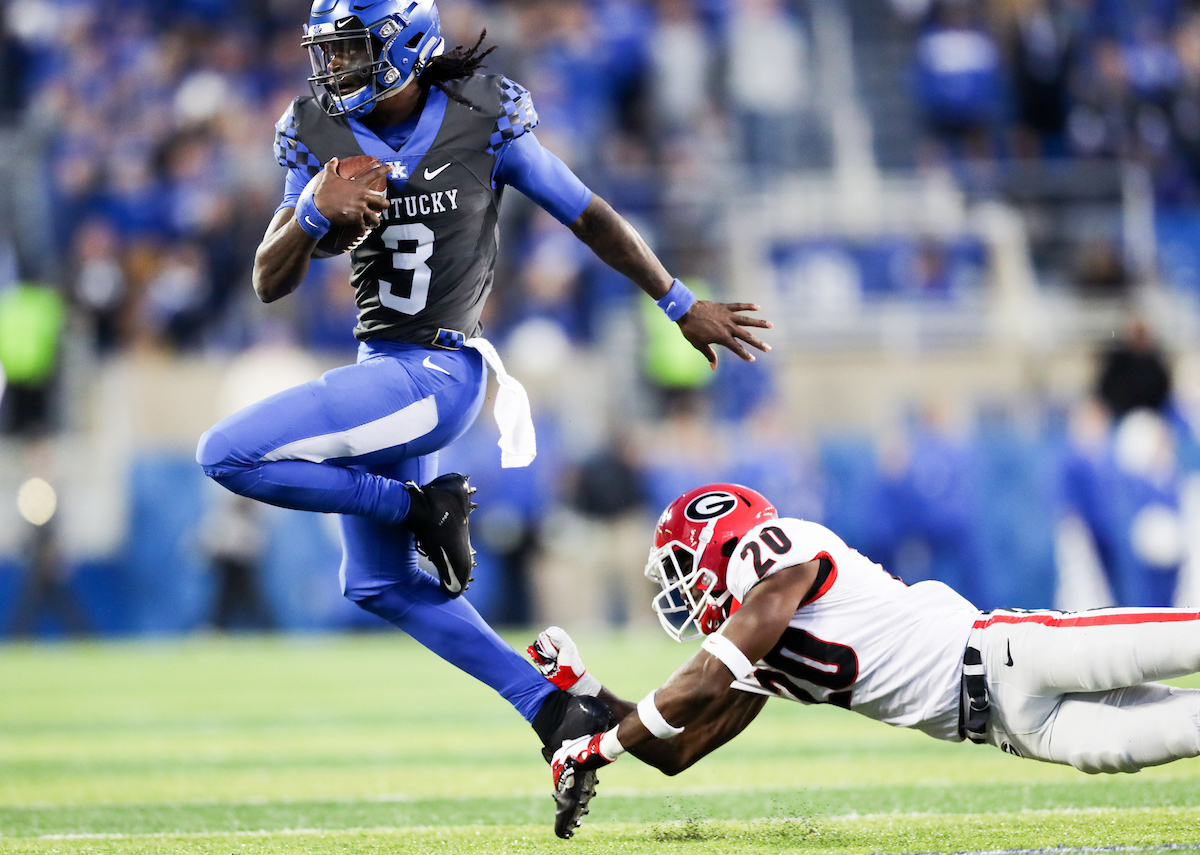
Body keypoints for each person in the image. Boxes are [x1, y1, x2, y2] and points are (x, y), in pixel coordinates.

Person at [195, 0, 771, 774]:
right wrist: (306, 212)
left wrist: (678, 302)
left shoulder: (481, 113)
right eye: (326, 53)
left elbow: (588, 214)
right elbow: (269, 279)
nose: (333, 69)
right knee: (379, 583)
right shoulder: (313, 131)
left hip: (438, 371)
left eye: (350, 49)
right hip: (384, 372)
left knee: (224, 453)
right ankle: (555, 708)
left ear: (401, 45)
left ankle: (415, 504)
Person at [532, 483, 1200, 838]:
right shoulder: (752, 657)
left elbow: (707, 672)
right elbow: (679, 748)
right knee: (1185, 728)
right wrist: (588, 692)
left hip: (1013, 651)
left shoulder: (782, 552)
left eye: (685, 565)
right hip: (1017, 731)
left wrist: (601, 747)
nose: (681, 586)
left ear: (729, 543)